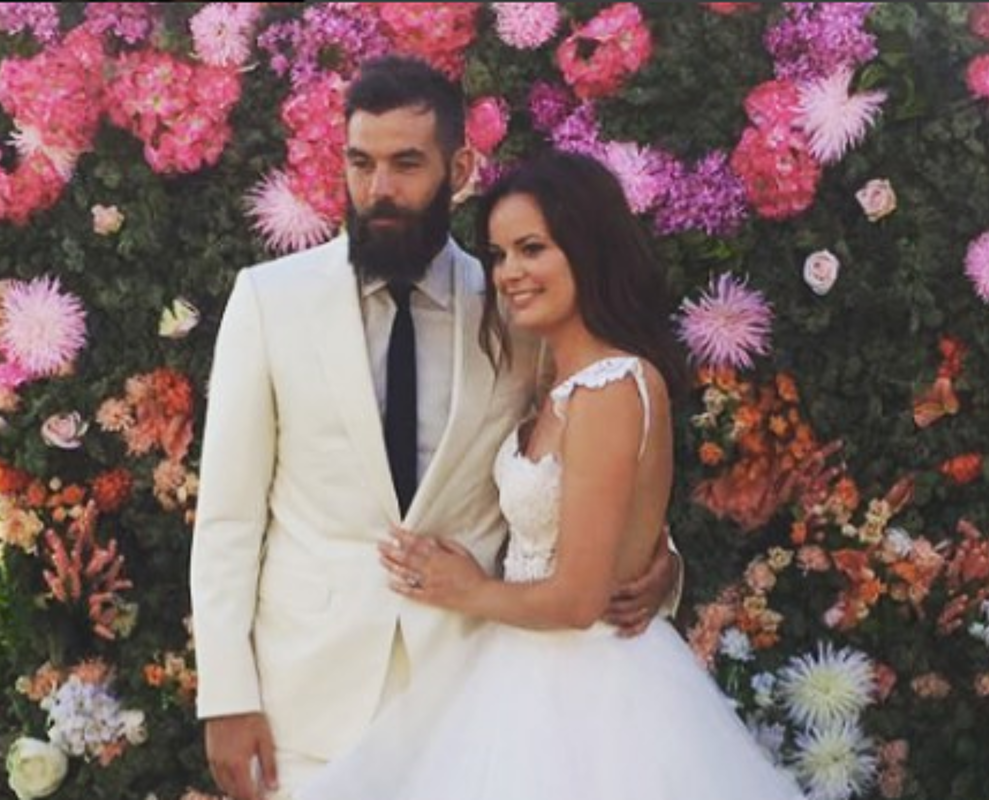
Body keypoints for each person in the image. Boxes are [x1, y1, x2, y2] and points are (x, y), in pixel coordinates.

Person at [189, 56, 679, 800]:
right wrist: (226, 695)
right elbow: (227, 516)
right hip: (307, 698)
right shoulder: (269, 302)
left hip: (477, 688)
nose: (379, 189)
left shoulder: (517, 304)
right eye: (361, 162)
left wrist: (658, 566)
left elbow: (585, 449)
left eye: (406, 164)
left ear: (459, 166)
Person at [296, 151, 808, 800]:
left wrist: (466, 589)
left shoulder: (612, 386)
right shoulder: (550, 377)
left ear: (587, 249)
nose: (510, 273)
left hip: (593, 687)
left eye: (532, 249)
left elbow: (577, 599)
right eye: (499, 255)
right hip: (523, 668)